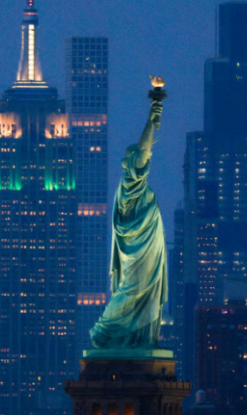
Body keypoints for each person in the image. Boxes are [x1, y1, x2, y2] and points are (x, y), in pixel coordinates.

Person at [90, 99, 167, 349]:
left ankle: (137, 340)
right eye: (142, 159)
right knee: (130, 294)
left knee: (142, 296)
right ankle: (108, 332)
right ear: (132, 163)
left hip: (147, 253)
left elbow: (145, 151)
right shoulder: (130, 186)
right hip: (136, 255)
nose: (147, 159)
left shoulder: (136, 189)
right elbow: (144, 150)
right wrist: (151, 117)